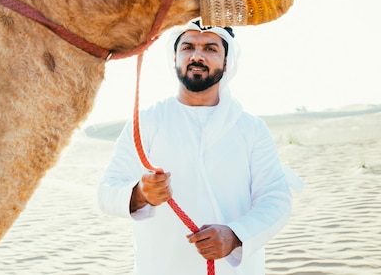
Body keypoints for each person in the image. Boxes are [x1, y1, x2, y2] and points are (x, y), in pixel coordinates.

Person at [97, 19, 298, 275]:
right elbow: (106, 191)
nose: (197, 56)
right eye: (188, 47)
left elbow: (276, 199)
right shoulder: (146, 122)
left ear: (227, 61)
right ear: (175, 57)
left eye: (210, 49)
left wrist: (235, 236)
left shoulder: (250, 129)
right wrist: (140, 194)